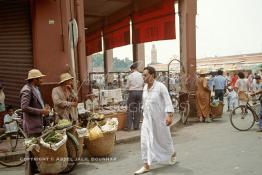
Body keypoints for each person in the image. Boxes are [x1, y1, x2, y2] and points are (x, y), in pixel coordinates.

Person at [134, 66, 176, 175]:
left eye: (145, 75)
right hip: (147, 120)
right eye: (143, 75)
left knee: (163, 139)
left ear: (152, 75)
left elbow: (168, 102)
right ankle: (146, 165)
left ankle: (171, 152)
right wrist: (143, 118)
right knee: (144, 141)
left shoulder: (160, 87)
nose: (143, 77)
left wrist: (169, 115)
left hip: (159, 119)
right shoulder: (144, 87)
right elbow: (145, 104)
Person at [20, 69, 50, 175]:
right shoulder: (26, 90)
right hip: (31, 125)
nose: (42, 80)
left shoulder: (36, 88)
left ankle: (35, 170)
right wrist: (41, 111)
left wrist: (44, 108)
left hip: (38, 123)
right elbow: (24, 107)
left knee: (35, 150)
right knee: (30, 151)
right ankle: (28, 173)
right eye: (40, 78)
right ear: (34, 79)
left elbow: (38, 103)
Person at [125, 63, 144, 131]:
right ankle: (136, 126)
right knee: (138, 109)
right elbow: (143, 84)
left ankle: (128, 126)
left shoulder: (130, 76)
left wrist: (128, 89)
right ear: (137, 69)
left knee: (130, 109)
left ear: (132, 69)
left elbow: (127, 86)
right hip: (140, 92)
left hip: (132, 92)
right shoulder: (141, 75)